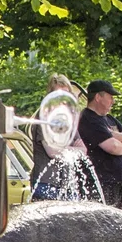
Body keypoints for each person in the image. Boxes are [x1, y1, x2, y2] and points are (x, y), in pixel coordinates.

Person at [30, 73, 96, 201]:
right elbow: (52, 152)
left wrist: (64, 148)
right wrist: (72, 148)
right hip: (46, 183)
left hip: (67, 184)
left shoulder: (68, 118)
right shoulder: (44, 116)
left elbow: (84, 150)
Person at [77, 80, 122, 209]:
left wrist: (116, 135)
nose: (113, 101)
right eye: (110, 97)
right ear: (98, 97)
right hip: (99, 182)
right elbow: (113, 147)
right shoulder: (89, 119)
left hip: (115, 182)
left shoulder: (110, 119)